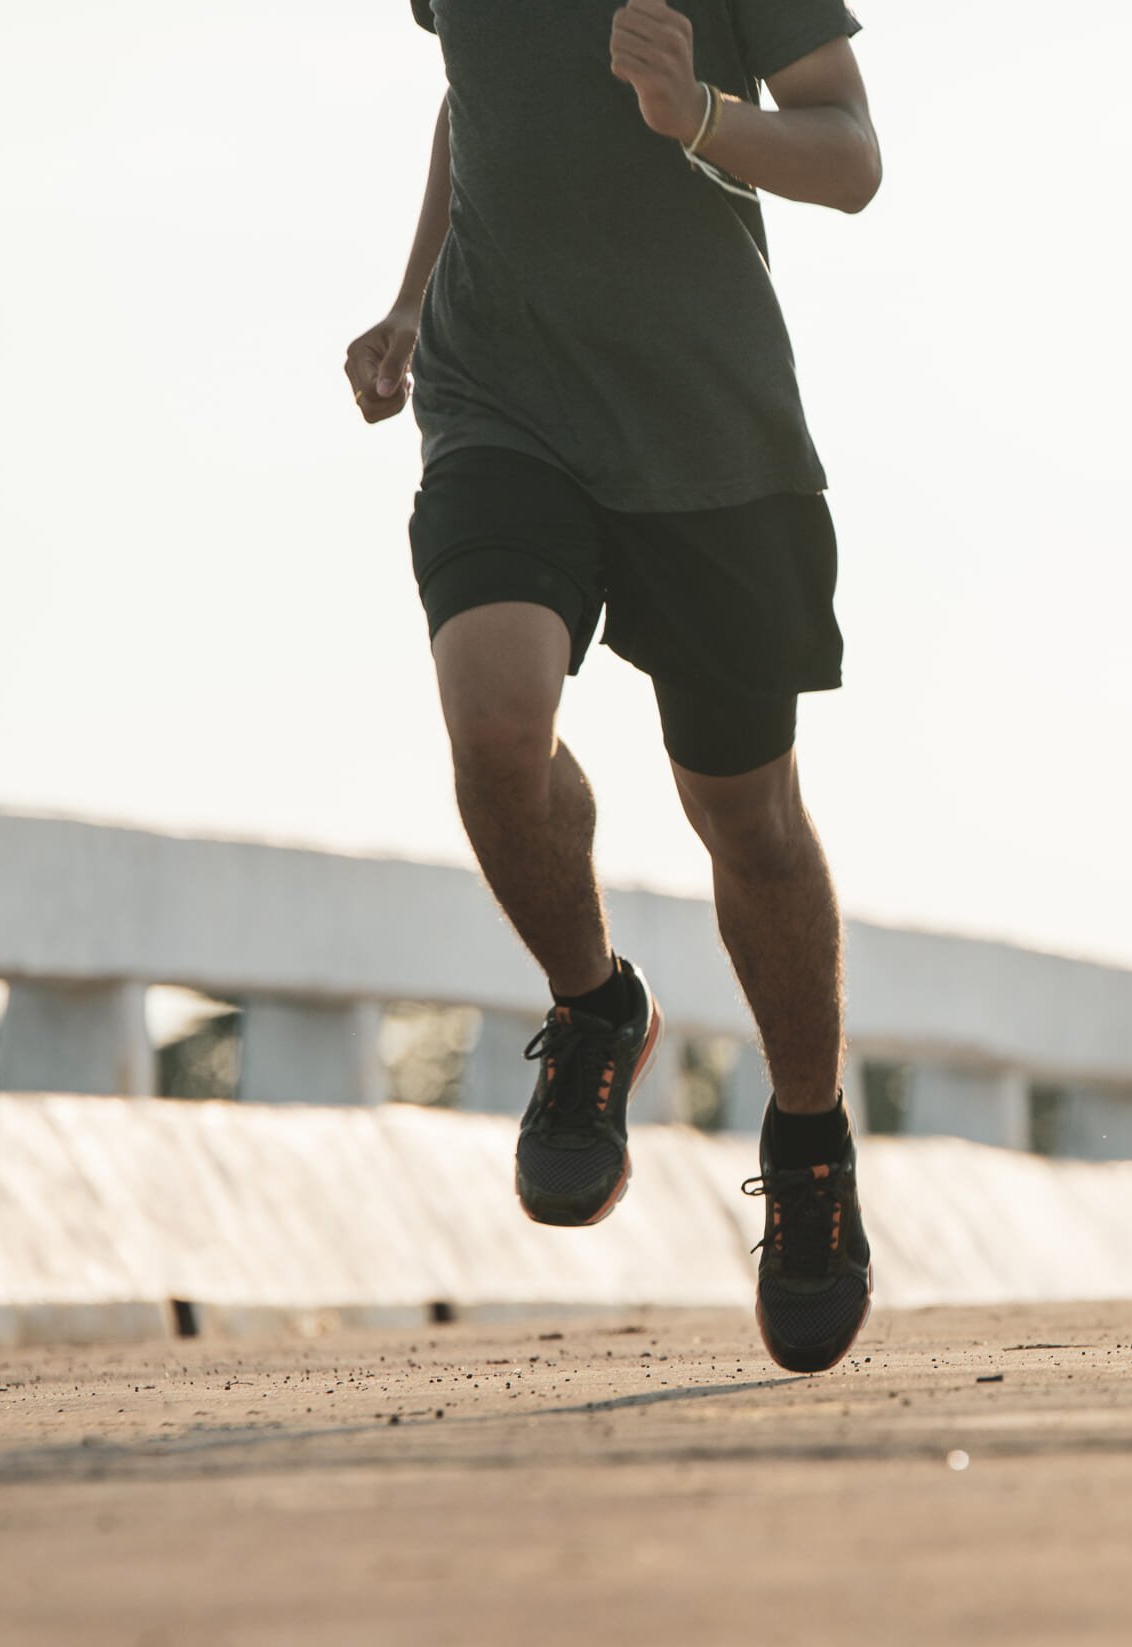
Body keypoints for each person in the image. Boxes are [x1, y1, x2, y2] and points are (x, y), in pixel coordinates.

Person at [343, 0, 880, 1374]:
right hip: (502, 399)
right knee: (497, 724)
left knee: (746, 816)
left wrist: (700, 116)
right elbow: (479, 103)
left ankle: (809, 1143)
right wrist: (409, 301)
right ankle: (594, 1005)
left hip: (711, 429)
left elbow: (850, 153)